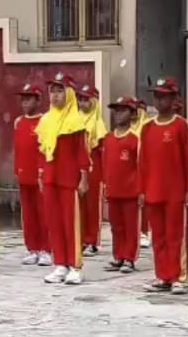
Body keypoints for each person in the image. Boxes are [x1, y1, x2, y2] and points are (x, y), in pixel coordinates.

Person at [139, 78, 188, 294]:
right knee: (158, 236)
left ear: (173, 99)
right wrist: (141, 190)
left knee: (175, 235)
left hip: (175, 191)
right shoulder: (147, 127)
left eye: (164, 97)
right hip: (153, 190)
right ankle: (162, 275)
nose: (160, 101)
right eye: (157, 96)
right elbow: (142, 162)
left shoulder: (180, 125)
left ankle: (178, 276)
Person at [36, 72, 90, 285]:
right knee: (54, 222)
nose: (55, 96)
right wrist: (41, 174)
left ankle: (75, 265)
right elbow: (42, 150)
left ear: (69, 94)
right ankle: (60, 263)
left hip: (69, 179)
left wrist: (84, 178)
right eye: (53, 91)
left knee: (71, 223)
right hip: (51, 178)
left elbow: (82, 153)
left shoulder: (76, 121)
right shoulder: (46, 120)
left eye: (60, 91)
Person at [102, 96, 142, 274]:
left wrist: (141, 190)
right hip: (113, 190)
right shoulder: (108, 138)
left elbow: (141, 166)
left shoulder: (135, 139)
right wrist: (105, 186)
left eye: (123, 110)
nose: (118, 114)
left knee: (130, 227)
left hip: (130, 192)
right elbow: (105, 164)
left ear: (132, 114)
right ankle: (118, 255)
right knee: (116, 227)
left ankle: (129, 258)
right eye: (116, 111)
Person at [13, 83, 51, 267]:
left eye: (29, 99)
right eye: (23, 99)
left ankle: (46, 249)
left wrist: (43, 172)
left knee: (44, 214)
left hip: (39, 177)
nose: (25, 103)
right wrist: (17, 170)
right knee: (28, 216)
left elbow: (46, 149)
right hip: (23, 175)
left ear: (38, 100)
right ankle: (33, 249)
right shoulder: (18, 122)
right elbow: (18, 149)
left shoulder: (45, 121)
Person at [77, 84, 107, 257]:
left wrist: (105, 177)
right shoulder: (75, 120)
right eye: (80, 99)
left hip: (95, 169)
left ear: (94, 101)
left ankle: (93, 241)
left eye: (86, 100)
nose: (82, 103)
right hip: (79, 167)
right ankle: (81, 239)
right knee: (80, 205)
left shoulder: (98, 124)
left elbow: (103, 152)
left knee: (93, 205)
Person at [132, 98, 151, 249]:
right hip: (128, 169)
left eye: (135, 110)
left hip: (143, 168)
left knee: (143, 202)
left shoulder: (147, 127)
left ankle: (144, 231)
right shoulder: (126, 126)